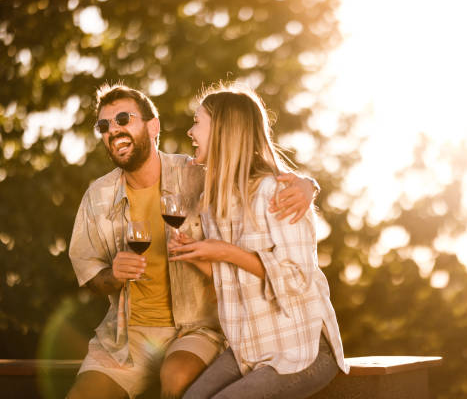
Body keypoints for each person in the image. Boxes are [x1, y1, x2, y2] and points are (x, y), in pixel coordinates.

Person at [67, 83, 319, 399]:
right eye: (103, 125)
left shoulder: (196, 173)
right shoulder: (97, 198)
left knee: (176, 379)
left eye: (123, 119)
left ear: (152, 125)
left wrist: (308, 185)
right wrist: (113, 276)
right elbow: (90, 276)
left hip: (197, 328)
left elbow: (246, 165)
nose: (112, 130)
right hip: (127, 336)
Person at [168, 84, 349, 399]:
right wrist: (197, 255)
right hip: (249, 349)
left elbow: (295, 280)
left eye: (198, 122)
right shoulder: (213, 205)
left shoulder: (279, 193)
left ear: (224, 131)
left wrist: (225, 251)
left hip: (302, 350)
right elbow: (232, 280)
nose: (190, 131)